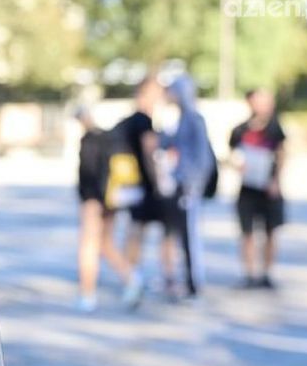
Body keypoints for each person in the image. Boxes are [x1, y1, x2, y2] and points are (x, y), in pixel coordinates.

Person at [73, 105, 141, 312]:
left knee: (89, 245)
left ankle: (87, 294)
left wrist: (88, 198)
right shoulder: (110, 139)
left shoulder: (89, 140)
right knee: (105, 244)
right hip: (112, 199)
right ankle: (131, 278)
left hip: (94, 199)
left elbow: (88, 174)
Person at [158, 73, 215, 299]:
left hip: (189, 187)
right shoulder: (180, 119)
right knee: (181, 234)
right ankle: (184, 279)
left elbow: (203, 158)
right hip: (179, 184)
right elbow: (166, 144)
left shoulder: (193, 119)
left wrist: (194, 183)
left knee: (191, 235)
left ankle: (194, 283)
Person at [229, 88, 287, 289]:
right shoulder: (240, 130)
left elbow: (282, 154)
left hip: (269, 188)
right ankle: (249, 273)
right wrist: (238, 166)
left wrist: (276, 181)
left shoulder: (275, 128)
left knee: (271, 231)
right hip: (248, 187)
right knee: (247, 232)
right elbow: (233, 155)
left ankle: (267, 273)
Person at [122, 78, 170, 294]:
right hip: (145, 185)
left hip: (133, 185)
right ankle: (140, 276)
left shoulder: (129, 121)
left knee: (135, 231)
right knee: (160, 232)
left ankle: (133, 275)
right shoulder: (143, 122)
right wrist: (159, 181)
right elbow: (150, 153)